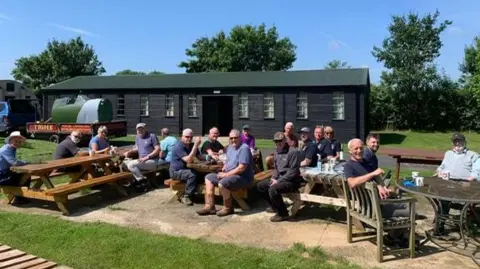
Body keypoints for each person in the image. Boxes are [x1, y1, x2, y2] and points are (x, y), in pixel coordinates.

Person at [344, 138, 414, 246]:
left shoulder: (364, 162)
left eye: (361, 148)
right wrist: (372, 174)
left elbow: (376, 176)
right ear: (349, 151)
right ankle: (393, 237)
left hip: (378, 202)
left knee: (401, 202)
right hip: (374, 208)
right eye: (356, 148)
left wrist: (382, 186)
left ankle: (397, 236)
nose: (359, 151)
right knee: (411, 211)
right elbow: (352, 183)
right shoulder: (349, 166)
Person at [197, 129, 254, 217]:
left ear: (240, 138)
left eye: (235, 138)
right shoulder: (230, 147)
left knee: (222, 183)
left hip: (242, 177)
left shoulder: (244, 148)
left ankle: (228, 208)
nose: (233, 140)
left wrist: (226, 175)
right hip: (229, 174)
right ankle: (209, 206)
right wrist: (224, 167)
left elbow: (241, 168)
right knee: (208, 177)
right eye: (231, 138)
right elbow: (227, 161)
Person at [257, 132, 302, 222]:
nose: (278, 143)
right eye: (276, 141)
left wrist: (278, 181)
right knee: (260, 186)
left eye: (280, 141)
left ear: (285, 140)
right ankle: (275, 207)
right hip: (280, 179)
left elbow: (292, 172)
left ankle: (283, 214)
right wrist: (274, 177)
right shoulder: (277, 151)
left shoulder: (293, 152)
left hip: (291, 181)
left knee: (273, 189)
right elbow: (276, 168)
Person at [169, 129, 204, 206]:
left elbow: (200, 157)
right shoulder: (178, 146)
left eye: (191, 137)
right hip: (176, 171)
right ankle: (186, 196)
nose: (189, 139)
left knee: (202, 174)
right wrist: (195, 146)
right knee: (192, 174)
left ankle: (195, 192)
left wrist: (211, 158)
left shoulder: (191, 145)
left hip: (186, 169)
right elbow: (188, 160)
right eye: (187, 137)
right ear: (182, 136)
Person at [123, 123, 161, 190]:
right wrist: (129, 151)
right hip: (142, 161)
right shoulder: (137, 137)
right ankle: (137, 181)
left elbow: (158, 149)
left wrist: (147, 157)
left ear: (145, 129)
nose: (140, 130)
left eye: (141, 129)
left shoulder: (152, 136)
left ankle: (143, 182)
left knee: (131, 165)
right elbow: (137, 148)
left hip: (152, 161)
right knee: (124, 164)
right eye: (138, 129)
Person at [0, 132, 30, 203]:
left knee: (26, 175)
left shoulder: (11, 148)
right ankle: (19, 198)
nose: (17, 143)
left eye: (19, 142)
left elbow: (14, 162)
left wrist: (24, 162)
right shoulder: (6, 150)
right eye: (16, 141)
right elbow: (14, 162)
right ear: (10, 141)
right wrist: (26, 162)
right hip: (1, 176)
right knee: (24, 176)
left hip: (5, 173)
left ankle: (21, 197)